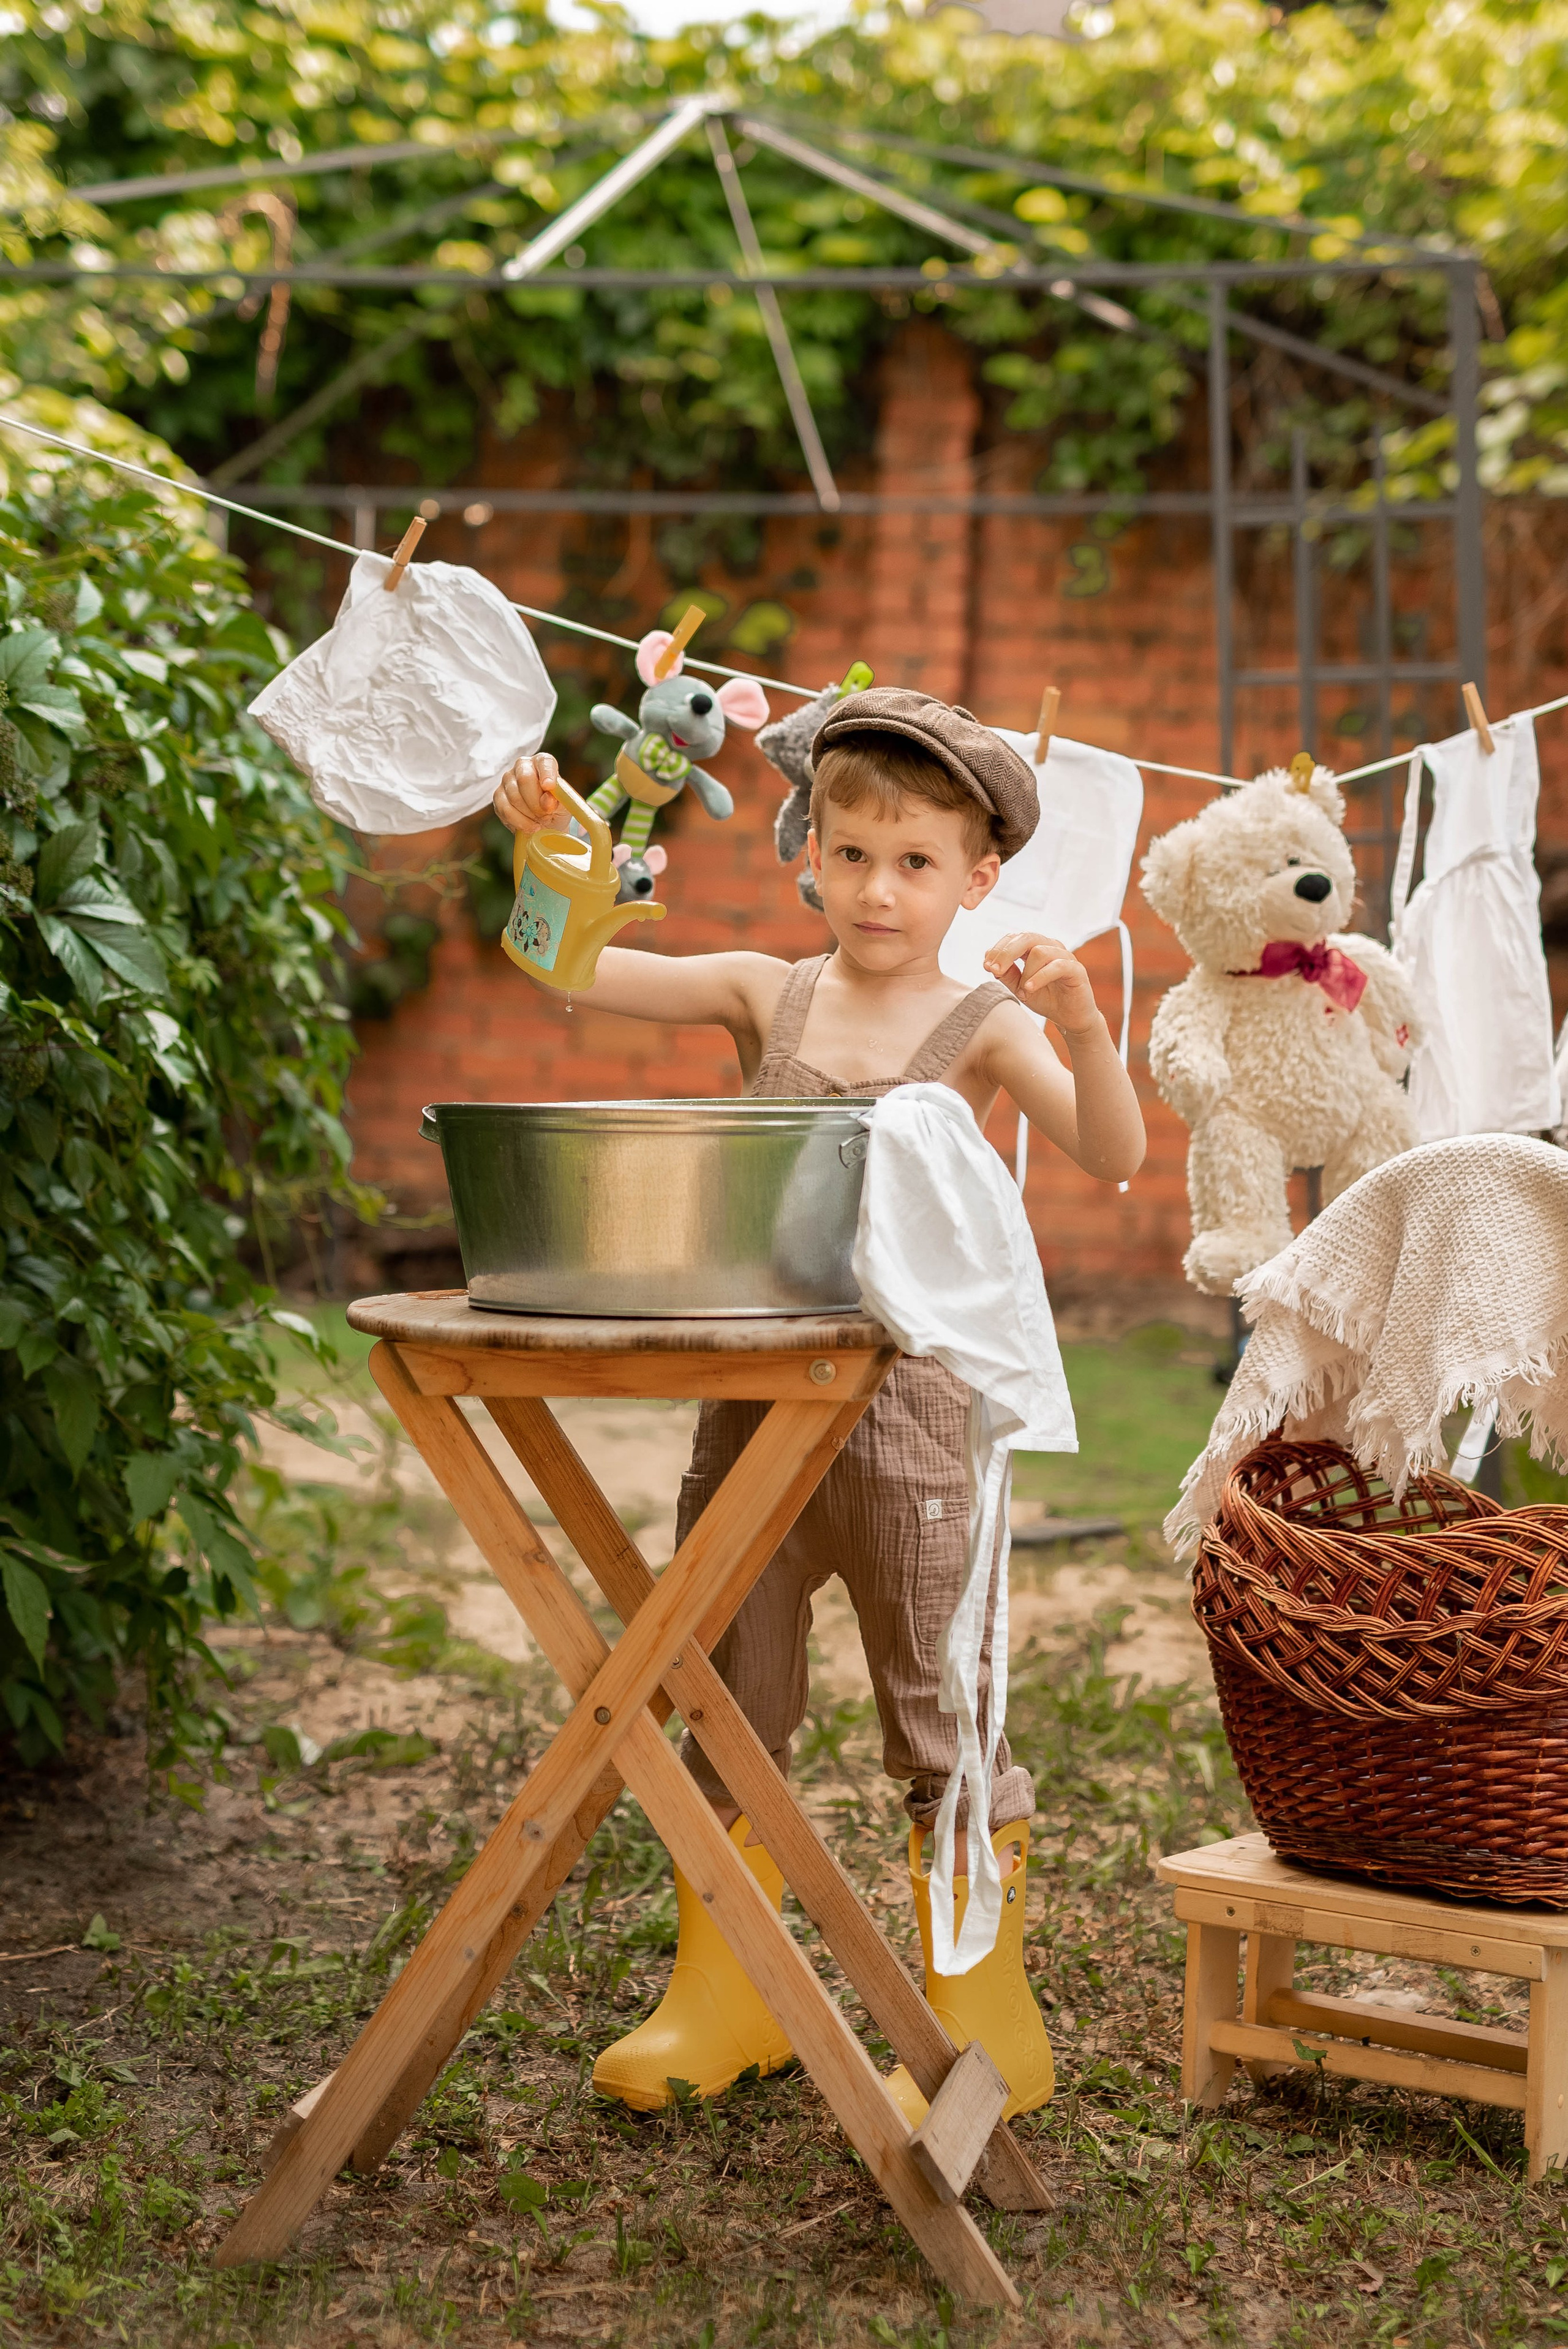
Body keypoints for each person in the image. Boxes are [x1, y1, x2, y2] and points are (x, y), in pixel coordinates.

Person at [492, 687, 1145, 2120]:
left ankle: (990, 2027)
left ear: (978, 883)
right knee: (727, 1696)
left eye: (915, 863)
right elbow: (570, 976)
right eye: (849, 854)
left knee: (941, 1718)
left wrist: (1088, 1028)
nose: (876, 889)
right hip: (749, 1415)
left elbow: (1106, 1151)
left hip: (909, 1425)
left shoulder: (977, 1025)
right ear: (808, 853)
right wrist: (555, 867)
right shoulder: (758, 991)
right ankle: (724, 1999)